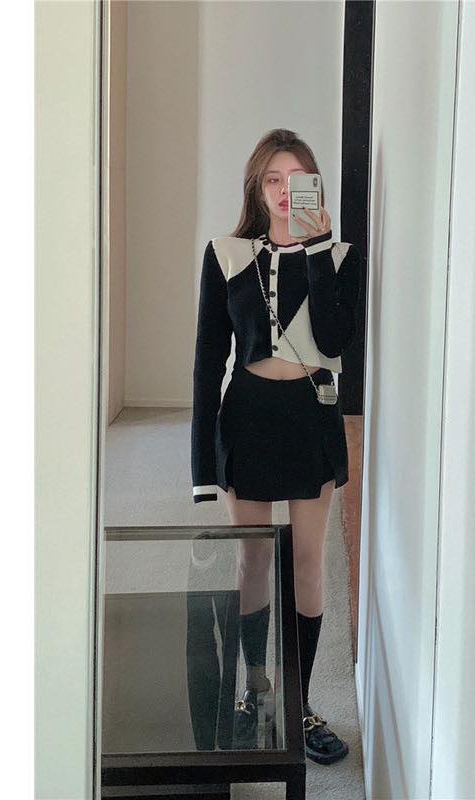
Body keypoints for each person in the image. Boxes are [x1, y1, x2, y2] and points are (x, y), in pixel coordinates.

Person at [190, 128, 362, 765]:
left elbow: (336, 341)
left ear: (314, 184)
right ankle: (256, 691)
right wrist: (201, 467)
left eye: (297, 179)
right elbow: (208, 361)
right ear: (256, 189)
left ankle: (300, 700)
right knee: (252, 562)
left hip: (311, 416)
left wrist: (315, 248)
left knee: (309, 563)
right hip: (248, 418)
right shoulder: (226, 254)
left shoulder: (339, 255)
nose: (285, 191)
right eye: (272, 179)